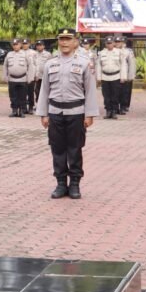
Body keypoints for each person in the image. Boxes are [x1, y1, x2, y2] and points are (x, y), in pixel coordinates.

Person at [36, 28, 100, 200]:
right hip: (55, 112)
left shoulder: (85, 63)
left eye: (68, 39)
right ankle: (61, 183)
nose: (64, 42)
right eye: (61, 39)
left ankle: (74, 184)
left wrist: (90, 114)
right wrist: (43, 113)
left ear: (75, 42)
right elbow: (44, 90)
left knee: (74, 149)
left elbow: (90, 90)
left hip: (76, 113)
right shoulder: (50, 64)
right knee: (57, 149)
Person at [95, 36, 124, 119]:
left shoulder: (119, 52)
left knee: (115, 95)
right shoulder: (101, 53)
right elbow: (98, 66)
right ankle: (108, 111)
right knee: (106, 96)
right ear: (105, 44)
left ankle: (114, 111)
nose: (109, 45)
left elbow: (123, 65)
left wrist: (123, 77)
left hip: (116, 76)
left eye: (110, 43)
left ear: (114, 43)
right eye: (107, 43)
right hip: (105, 77)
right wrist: (99, 77)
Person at [3, 38, 31, 118]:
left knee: (22, 96)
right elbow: (5, 66)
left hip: (23, 78)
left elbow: (30, 66)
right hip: (12, 79)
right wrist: (5, 76)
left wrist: (29, 78)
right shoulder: (9, 54)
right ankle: (14, 110)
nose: (15, 46)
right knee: (13, 96)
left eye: (17, 44)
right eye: (14, 45)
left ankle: (22, 111)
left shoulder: (25, 54)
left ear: (20, 45)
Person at [31, 41, 50, 115]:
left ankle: (46, 106)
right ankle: (39, 105)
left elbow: (50, 65)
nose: (39, 47)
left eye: (40, 45)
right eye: (37, 45)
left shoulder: (48, 54)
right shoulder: (34, 54)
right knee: (37, 91)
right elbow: (33, 65)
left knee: (46, 91)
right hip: (37, 77)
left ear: (44, 46)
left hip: (45, 76)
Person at [118, 37, 136, 114]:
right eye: (117, 42)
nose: (119, 43)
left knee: (126, 92)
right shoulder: (114, 51)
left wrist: (130, 76)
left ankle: (124, 106)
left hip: (126, 75)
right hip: (116, 75)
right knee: (117, 92)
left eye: (120, 42)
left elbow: (131, 64)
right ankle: (117, 106)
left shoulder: (128, 51)